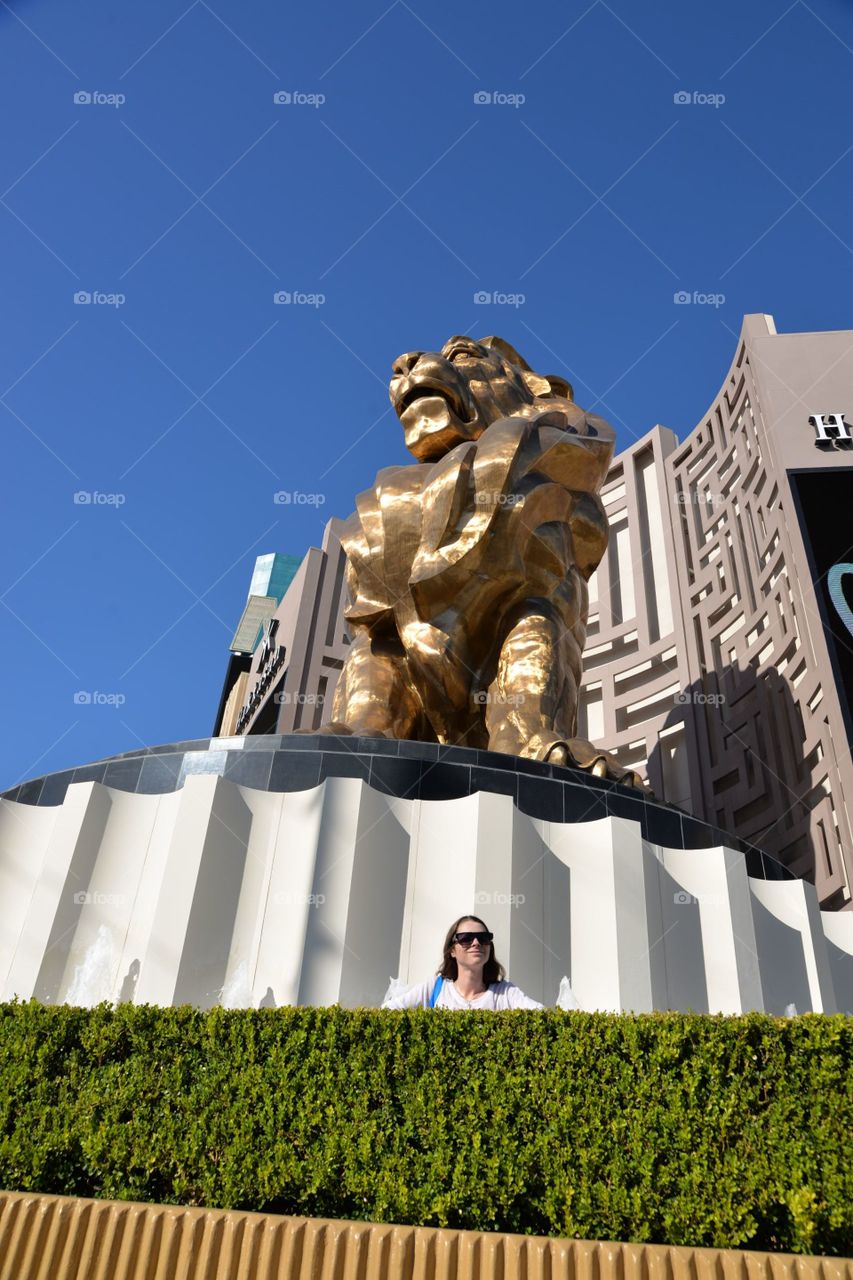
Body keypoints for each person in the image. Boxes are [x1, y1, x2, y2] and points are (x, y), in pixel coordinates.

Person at [381, 914, 544, 1010]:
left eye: (483, 938)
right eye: (465, 938)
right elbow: (388, 1011)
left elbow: (541, 1015)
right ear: (452, 950)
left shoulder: (505, 993)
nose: (476, 943)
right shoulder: (434, 989)